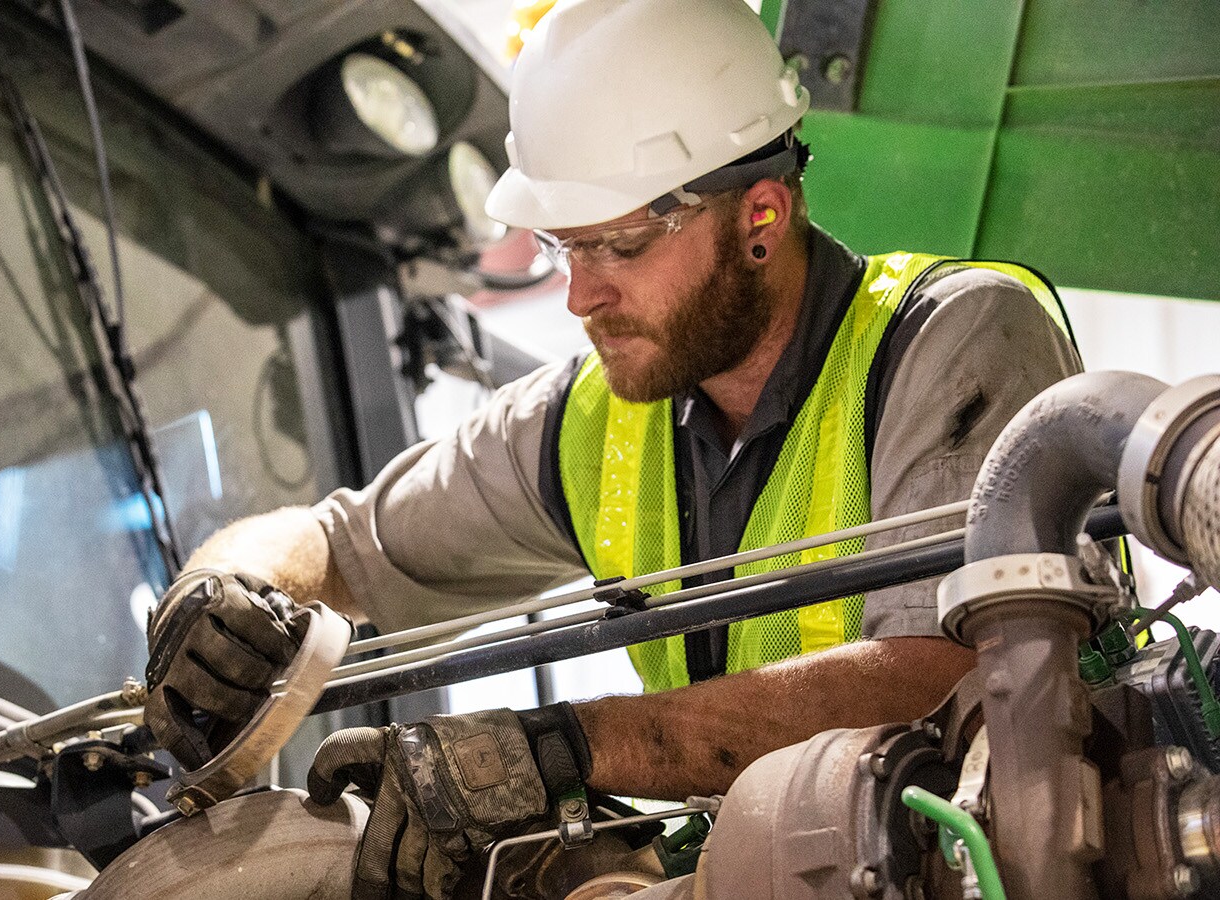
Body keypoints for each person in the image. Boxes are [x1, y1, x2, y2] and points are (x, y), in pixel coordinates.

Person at [140, 0, 1083, 896]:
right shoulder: (590, 422)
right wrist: (223, 592)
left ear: (759, 218)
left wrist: (563, 750)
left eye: (618, 247)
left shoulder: (950, 341)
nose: (579, 298)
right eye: (563, 248)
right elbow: (334, 545)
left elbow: (950, 672)